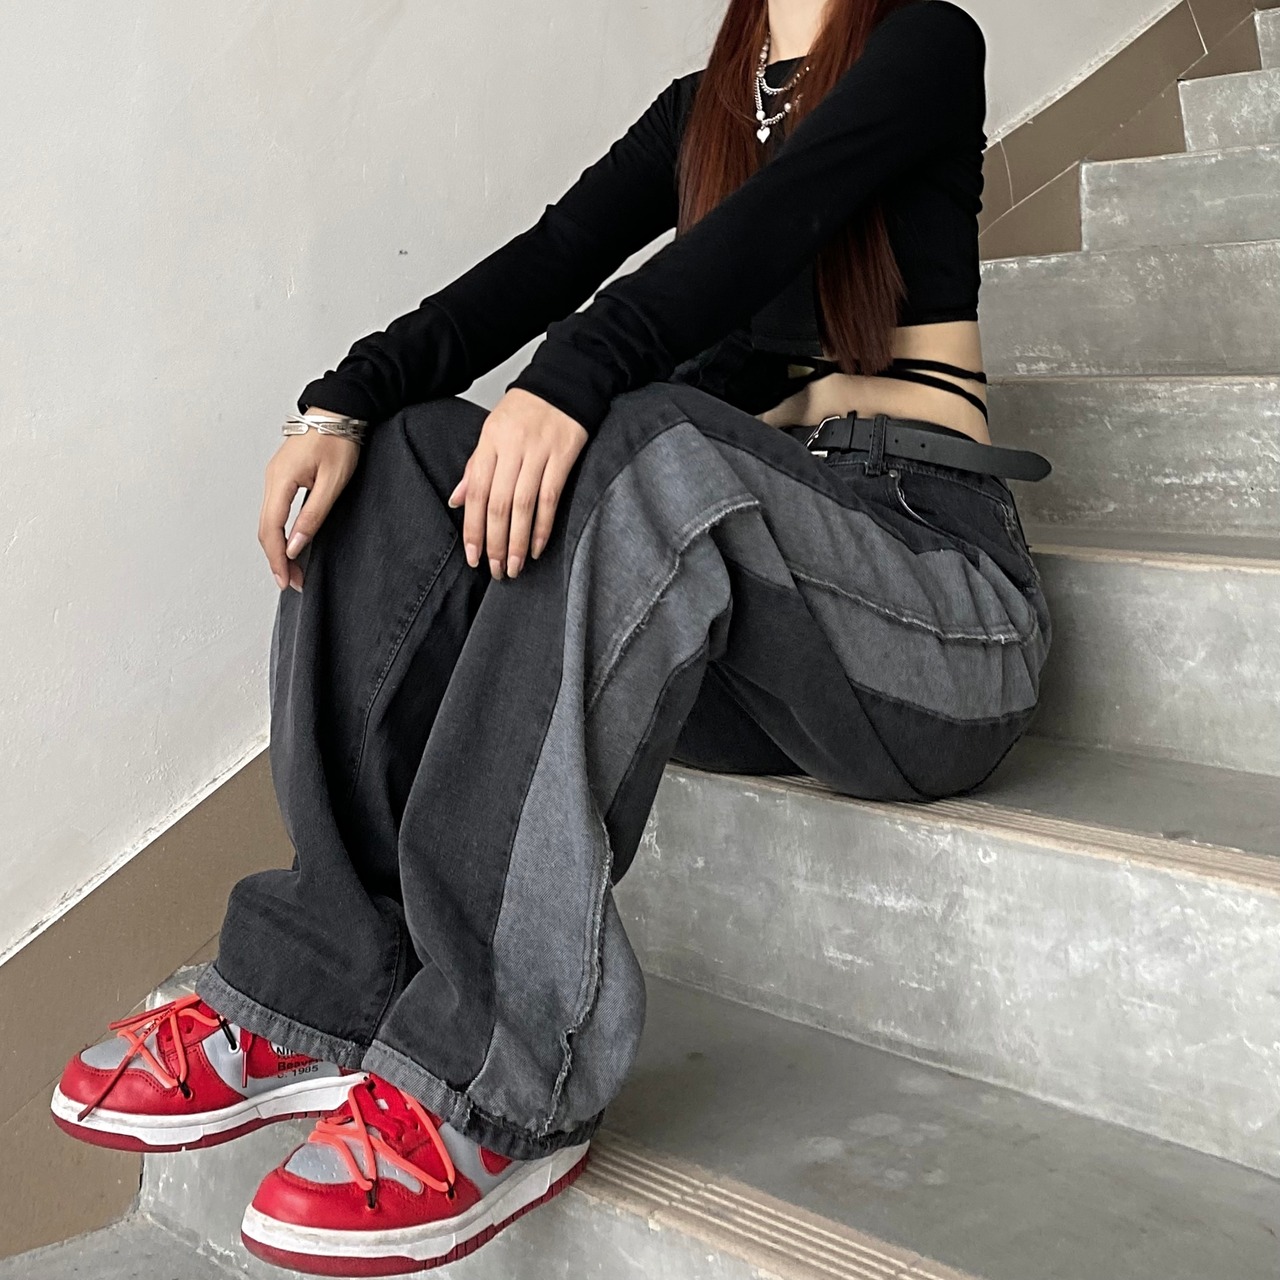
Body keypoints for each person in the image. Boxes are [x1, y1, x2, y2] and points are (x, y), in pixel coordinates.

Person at [52, 0, 1052, 1272]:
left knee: (647, 436)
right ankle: (323, 982)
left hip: (932, 604)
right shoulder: (701, 111)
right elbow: (543, 261)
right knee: (410, 454)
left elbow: (765, 225)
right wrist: (345, 398)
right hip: (759, 653)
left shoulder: (925, 45)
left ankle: (494, 1072)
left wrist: (574, 376)